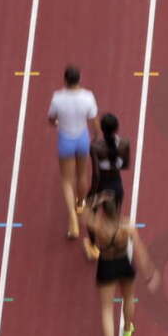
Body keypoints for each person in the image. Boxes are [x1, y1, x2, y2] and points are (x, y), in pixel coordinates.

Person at [80, 190, 160, 336]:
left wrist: (96, 199)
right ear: (117, 208)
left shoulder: (97, 225)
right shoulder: (127, 226)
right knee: (128, 298)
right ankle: (128, 328)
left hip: (107, 266)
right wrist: (149, 272)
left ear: (103, 210)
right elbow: (139, 251)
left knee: (107, 309)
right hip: (124, 264)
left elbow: (83, 212)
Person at [48, 65, 98, 239]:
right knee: (82, 175)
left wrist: (56, 123)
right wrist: (97, 136)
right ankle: (80, 203)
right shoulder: (88, 97)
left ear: (65, 79)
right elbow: (94, 120)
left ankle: (72, 219)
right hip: (82, 139)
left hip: (65, 140)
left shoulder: (57, 98)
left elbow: (51, 118)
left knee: (67, 181)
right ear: (80, 79)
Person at [83, 113, 131, 260]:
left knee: (91, 215)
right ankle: (115, 244)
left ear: (102, 129)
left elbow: (96, 174)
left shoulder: (95, 147)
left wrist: (92, 193)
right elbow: (125, 165)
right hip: (116, 186)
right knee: (113, 219)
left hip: (100, 186)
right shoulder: (125, 143)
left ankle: (93, 246)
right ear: (117, 128)